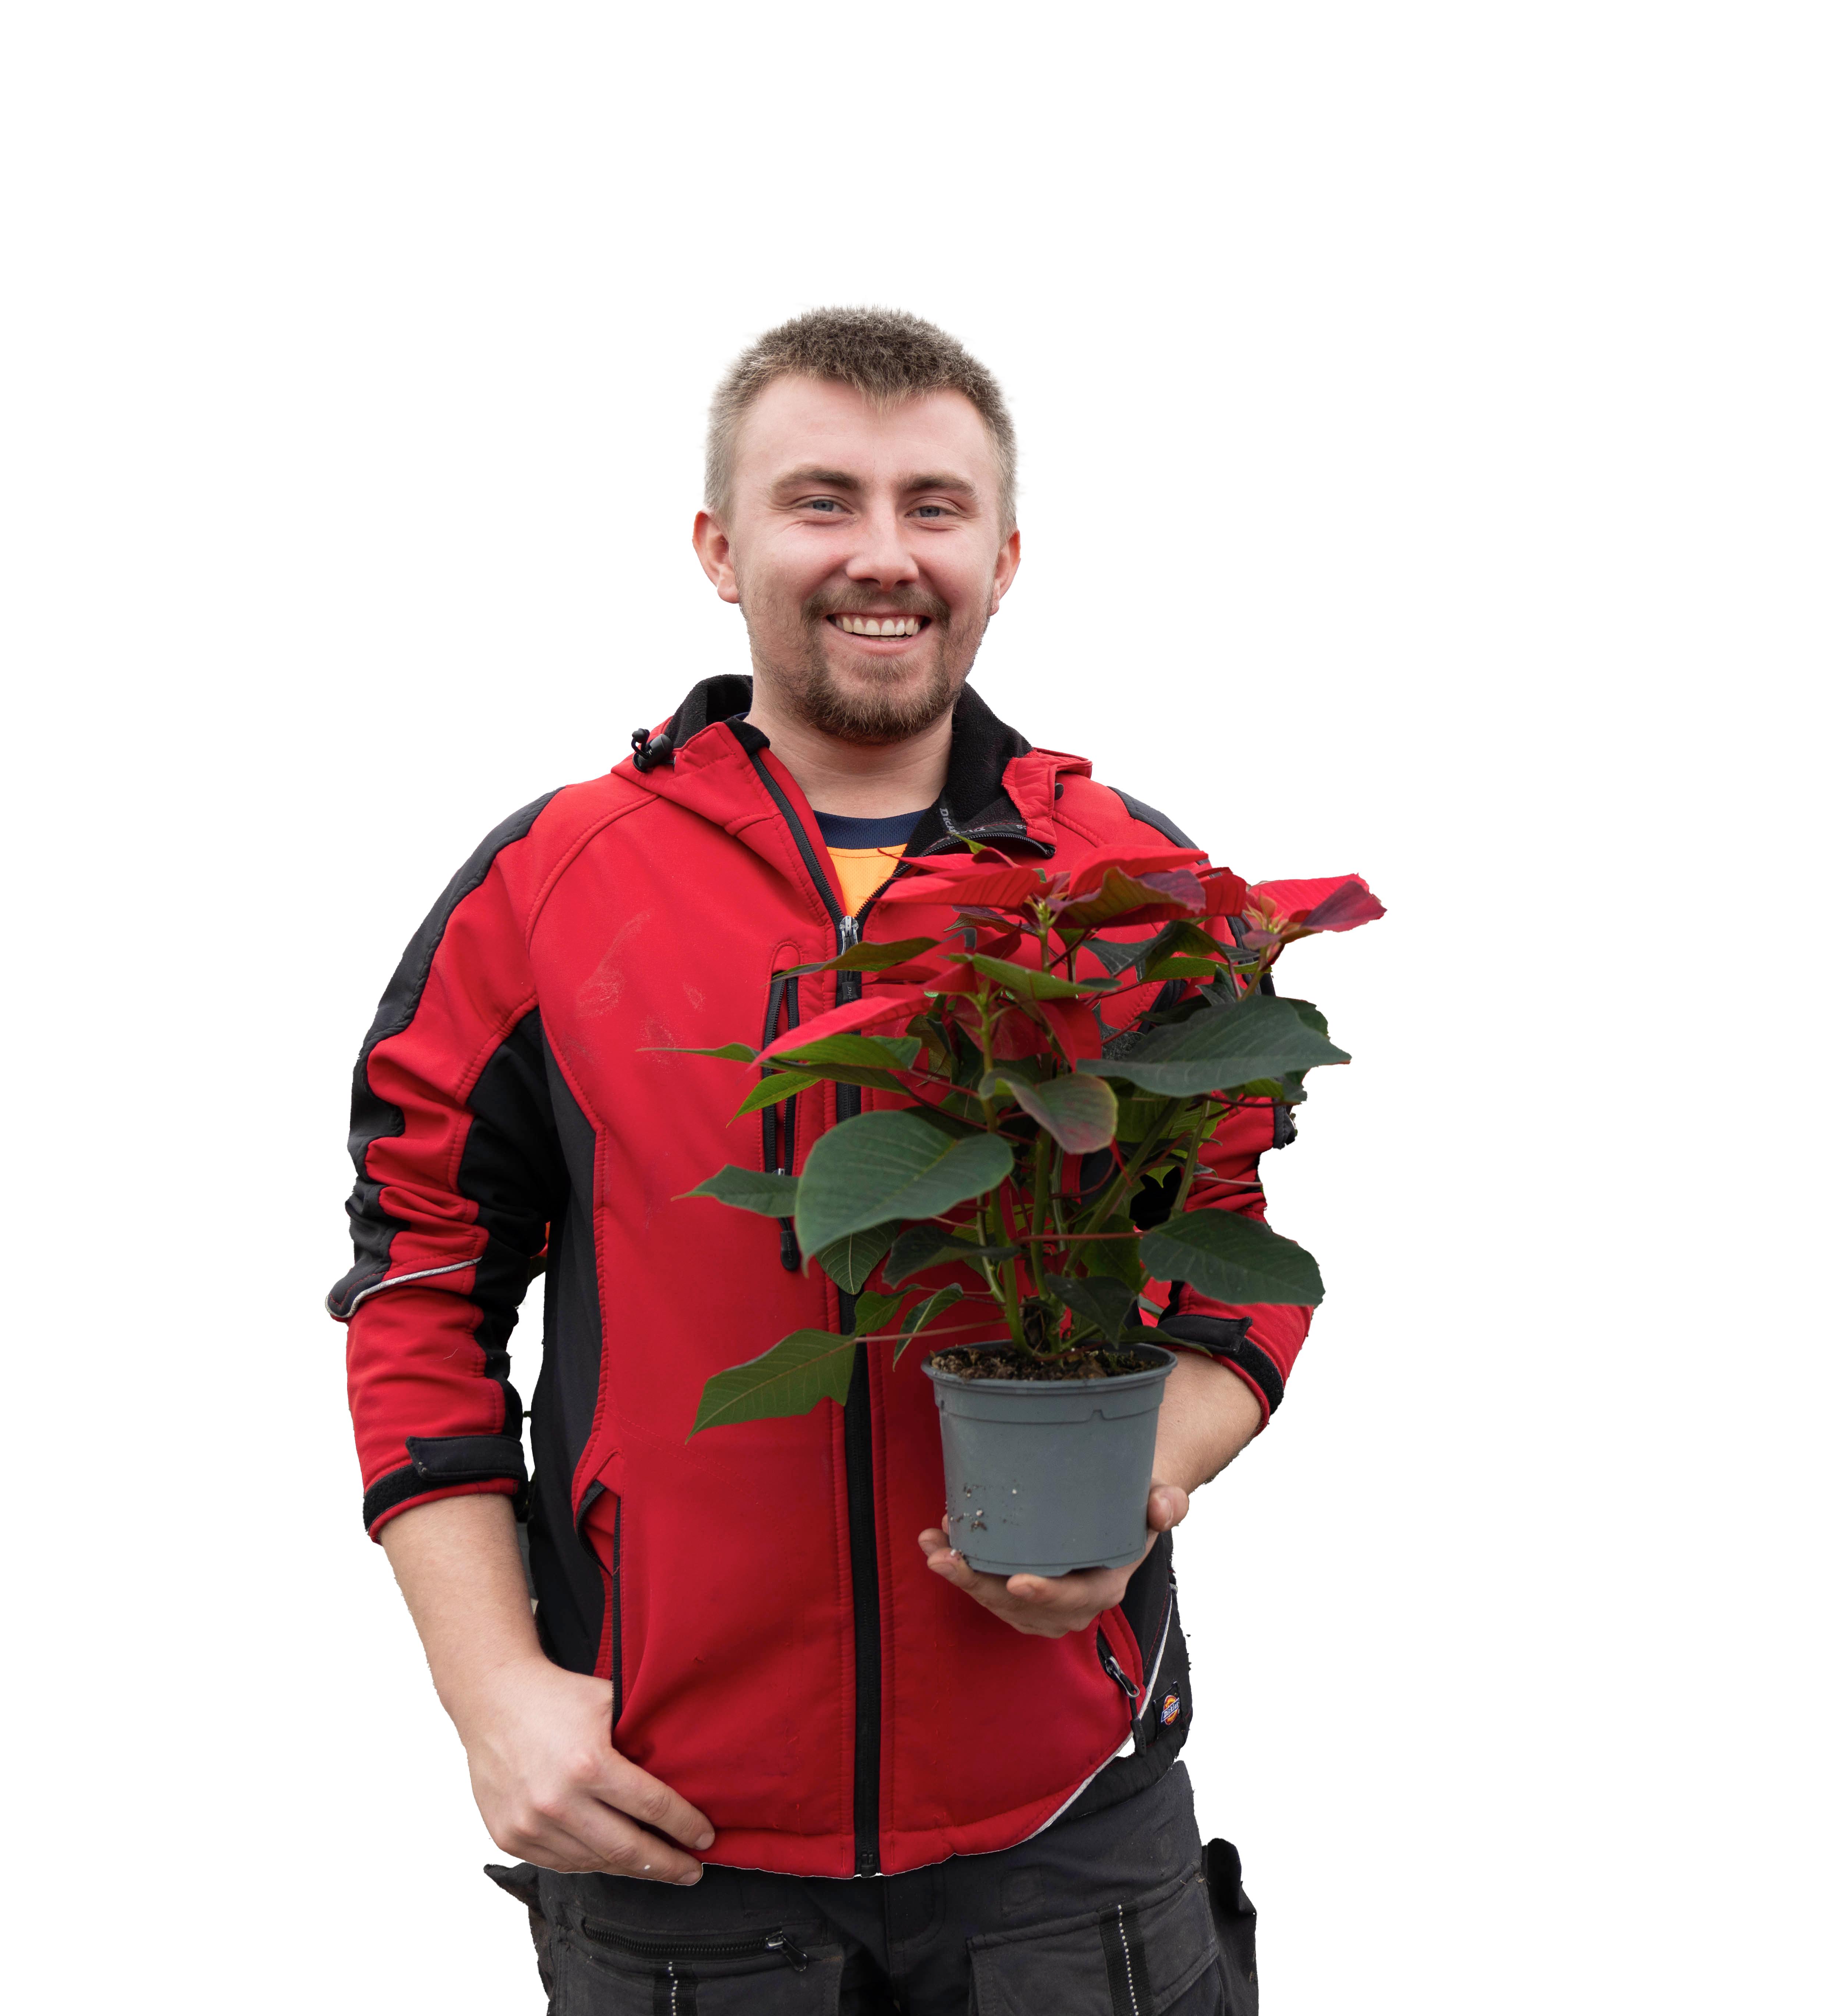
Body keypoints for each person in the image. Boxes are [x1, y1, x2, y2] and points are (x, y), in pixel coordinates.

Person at [332, 308, 1303, 2011]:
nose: (882, 553)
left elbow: (1222, 1249)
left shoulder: (1125, 882)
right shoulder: (554, 883)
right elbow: (420, 1281)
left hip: (1067, 1831)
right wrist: (493, 1694)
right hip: (672, 1836)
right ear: (720, 548)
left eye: (934, 505)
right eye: (820, 499)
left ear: (1003, 557)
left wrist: (1134, 1484)